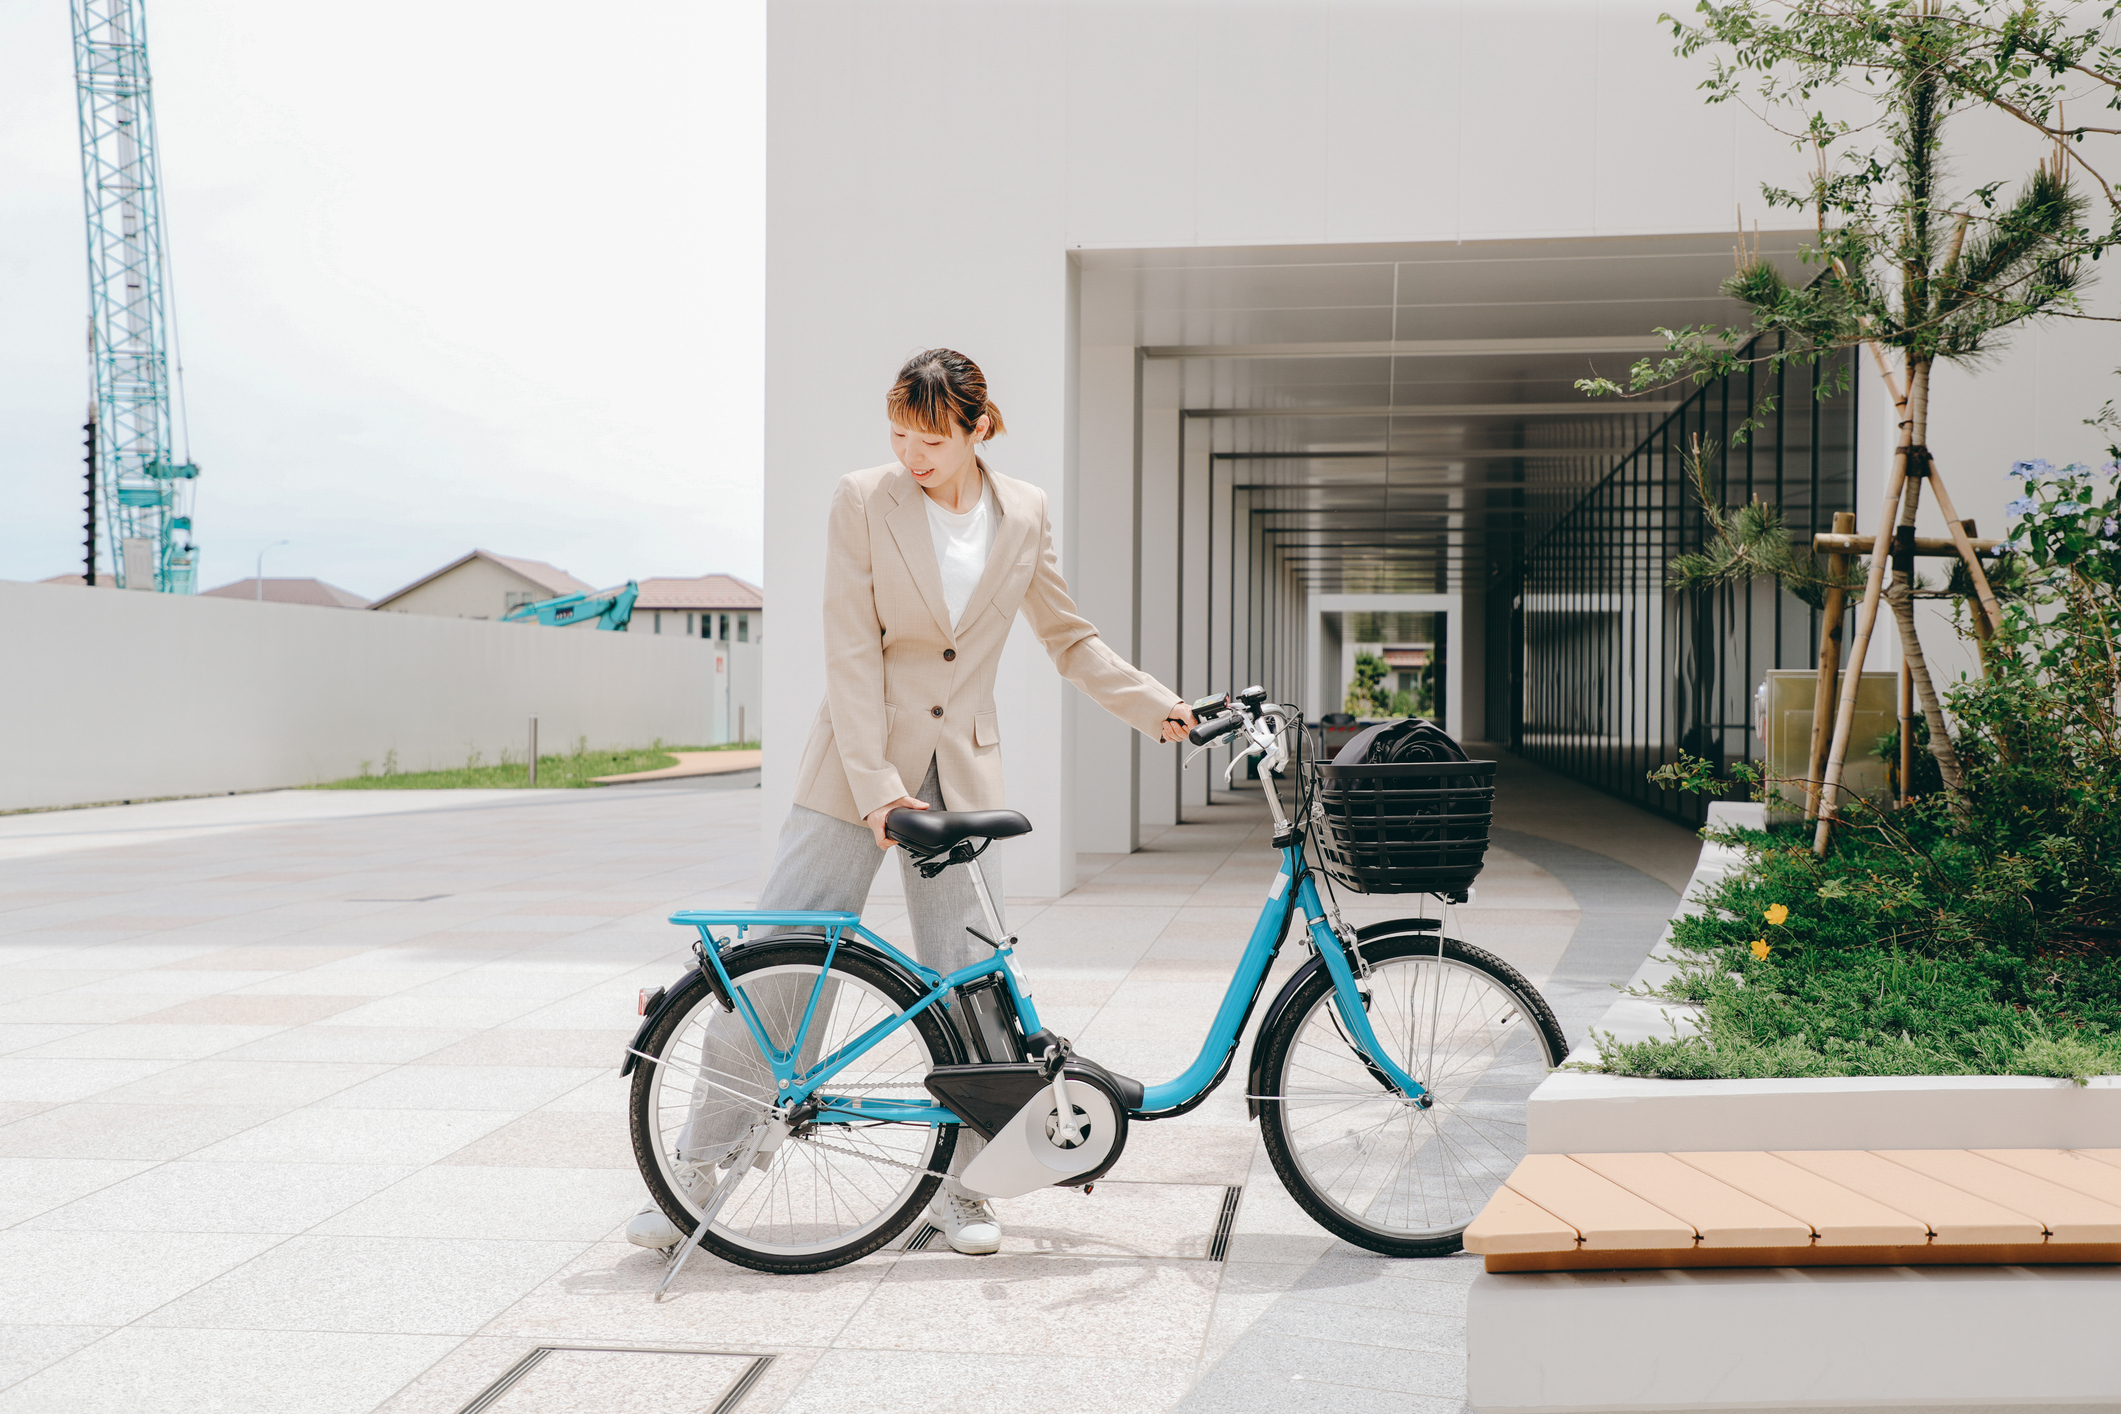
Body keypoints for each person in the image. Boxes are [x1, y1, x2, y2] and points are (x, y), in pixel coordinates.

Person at [626, 348, 1196, 1255]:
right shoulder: (863, 499)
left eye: (929, 437)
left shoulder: (1024, 513)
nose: (910, 454)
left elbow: (1067, 636)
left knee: (969, 984)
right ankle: (695, 1168)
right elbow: (849, 651)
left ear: (977, 427)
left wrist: (1155, 705)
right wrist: (878, 789)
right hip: (854, 765)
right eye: (897, 433)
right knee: (777, 962)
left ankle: (965, 1186)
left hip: (961, 769)